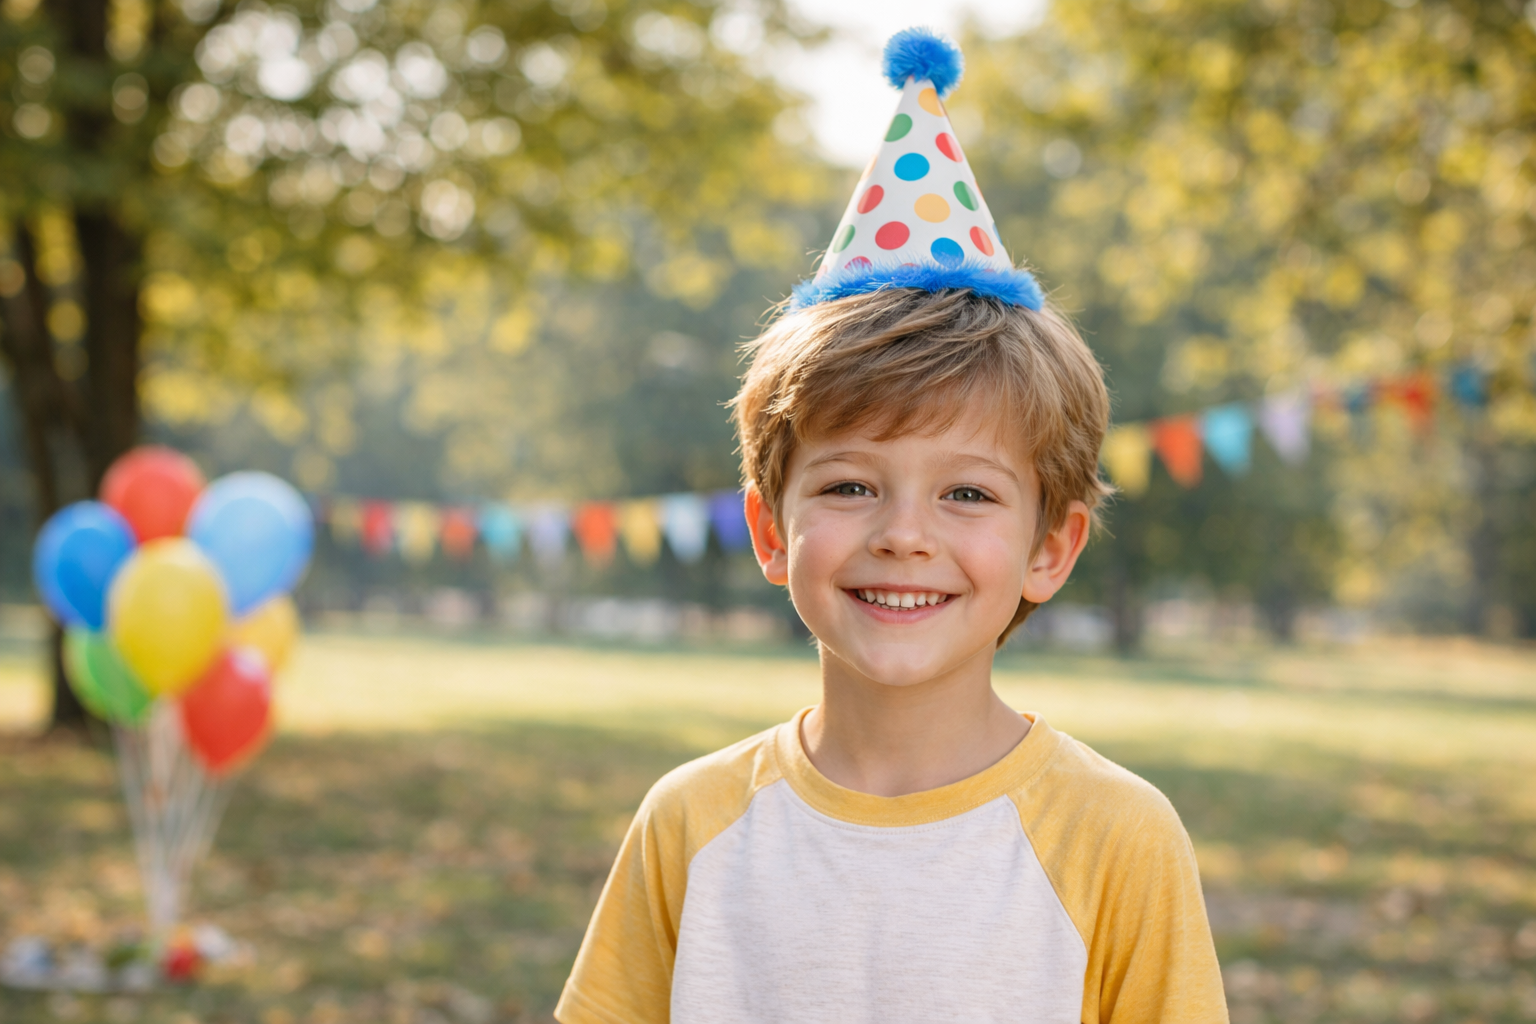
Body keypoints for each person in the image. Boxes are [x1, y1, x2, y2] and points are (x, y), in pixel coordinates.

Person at [555, 27, 1227, 1024]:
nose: (904, 534)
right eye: (851, 486)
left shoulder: (1116, 836)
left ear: (1052, 547)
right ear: (770, 530)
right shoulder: (689, 823)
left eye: (967, 493)